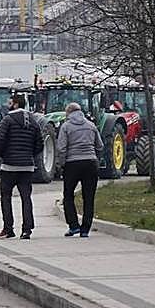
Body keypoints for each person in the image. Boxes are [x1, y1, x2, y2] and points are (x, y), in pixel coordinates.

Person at [0, 94, 43, 239]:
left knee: (6, 197)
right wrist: (30, 155)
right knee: (26, 198)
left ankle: (8, 228)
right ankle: (27, 229)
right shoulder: (34, 121)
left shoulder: (7, 120)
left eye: (9, 102)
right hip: (27, 166)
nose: (7, 105)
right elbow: (40, 143)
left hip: (9, 166)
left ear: (15, 104)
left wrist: (3, 155)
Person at [56, 101, 104, 238]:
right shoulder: (91, 125)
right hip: (91, 163)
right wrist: (95, 158)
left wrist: (62, 164)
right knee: (89, 197)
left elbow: (61, 148)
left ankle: (73, 226)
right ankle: (85, 229)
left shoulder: (66, 127)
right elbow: (100, 146)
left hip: (72, 164)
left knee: (68, 195)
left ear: (68, 113)